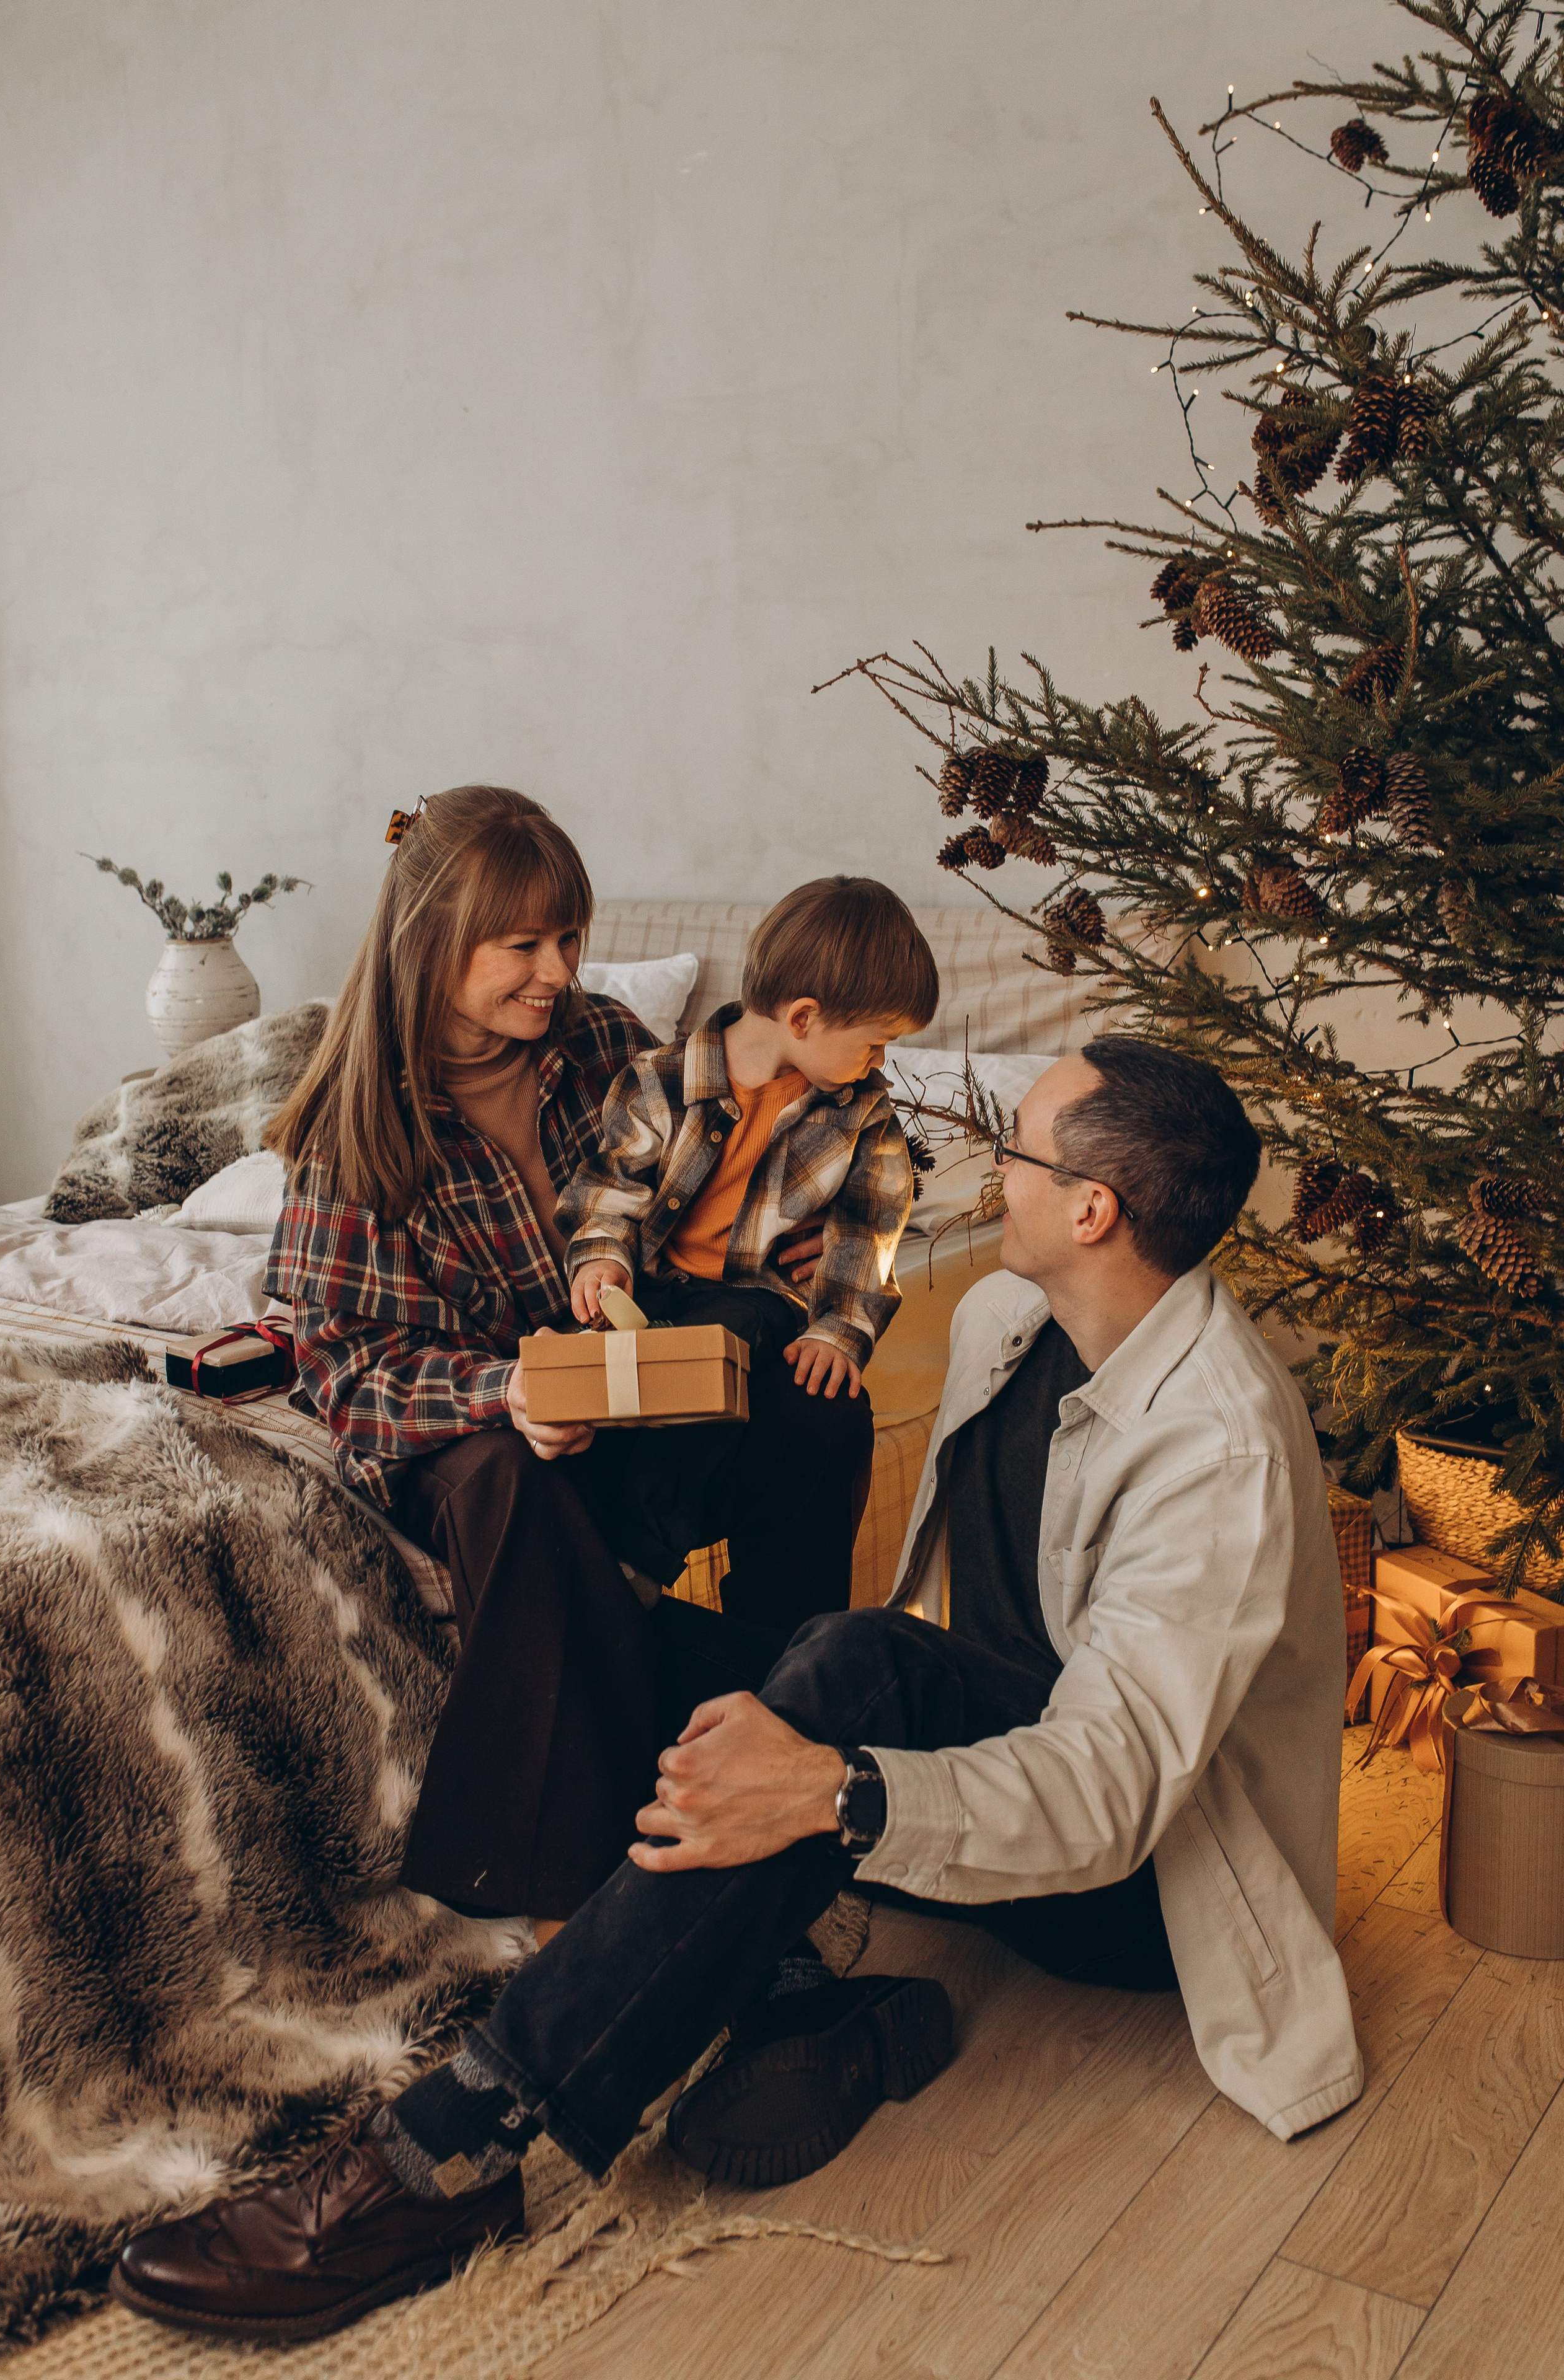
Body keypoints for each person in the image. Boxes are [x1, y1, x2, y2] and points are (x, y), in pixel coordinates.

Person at [115, 1036, 1364, 2345]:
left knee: (854, 1670)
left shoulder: (1216, 1450)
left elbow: (1113, 1795)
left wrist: (837, 1790)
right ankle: (782, 1987)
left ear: (1092, 1210)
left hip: (1151, 1890)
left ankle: (454, 2147)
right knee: (641, 1652)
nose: (991, 1169)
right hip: (1008, 1781)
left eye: (1017, 1152)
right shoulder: (1010, 1320)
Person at [261, 785, 839, 1941]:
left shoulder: (606, 1043)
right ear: (433, 938)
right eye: (522, 946)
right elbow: (350, 1375)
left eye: (570, 938)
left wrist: (776, 1238)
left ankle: (795, 1716)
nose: (558, 971)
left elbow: (694, 1207)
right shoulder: (358, 1131)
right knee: (515, 1480)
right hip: (473, 1426)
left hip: (615, 1383)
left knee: (812, 1391)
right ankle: (570, 1903)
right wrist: (507, 1391)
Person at [554, 875, 937, 1622]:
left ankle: (640, 1560)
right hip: (654, 1286)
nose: (880, 1062)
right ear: (804, 1017)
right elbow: (611, 1184)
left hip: (756, 1301)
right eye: (875, 1042)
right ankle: (567, 1569)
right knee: (594, 1366)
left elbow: (868, 1232)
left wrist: (837, 1332)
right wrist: (602, 1255)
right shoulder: (659, 1080)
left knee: (711, 1360)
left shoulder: (864, 1118)